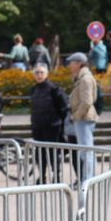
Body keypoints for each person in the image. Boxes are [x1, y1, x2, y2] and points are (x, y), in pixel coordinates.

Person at [29, 63, 69, 184]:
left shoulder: (54, 89)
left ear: (46, 74)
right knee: (39, 153)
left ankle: (56, 175)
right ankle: (42, 176)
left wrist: (60, 125)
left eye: (41, 72)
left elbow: (63, 108)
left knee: (53, 153)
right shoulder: (34, 89)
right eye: (37, 73)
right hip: (38, 127)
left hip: (52, 126)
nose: (39, 75)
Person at [66, 52, 98, 185]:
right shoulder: (82, 77)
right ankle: (88, 178)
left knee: (86, 151)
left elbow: (87, 101)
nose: (69, 65)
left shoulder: (85, 79)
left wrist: (76, 116)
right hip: (83, 117)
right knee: (85, 151)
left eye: (71, 62)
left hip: (84, 118)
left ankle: (88, 179)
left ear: (79, 63)